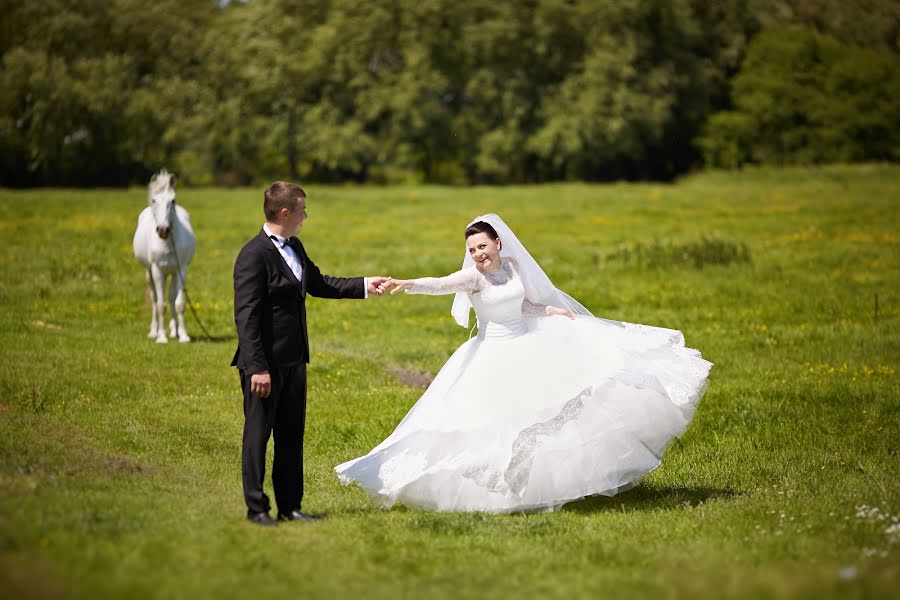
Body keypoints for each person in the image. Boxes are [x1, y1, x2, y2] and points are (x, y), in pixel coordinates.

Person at [335, 214, 712, 513]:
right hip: (492, 352)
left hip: (528, 343)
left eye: (483, 246)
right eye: (472, 249)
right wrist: (408, 283)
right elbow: (441, 283)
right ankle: (496, 492)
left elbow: (525, 304)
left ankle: (543, 485)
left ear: (498, 242)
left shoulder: (512, 266)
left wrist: (550, 310)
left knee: (551, 411)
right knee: (489, 423)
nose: (478, 254)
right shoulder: (473, 276)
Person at [232, 182, 390, 526]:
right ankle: (257, 508)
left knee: (291, 435)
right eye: (303, 210)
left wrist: (366, 284)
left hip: (294, 360)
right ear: (285, 213)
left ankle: (290, 506)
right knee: (258, 436)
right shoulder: (253, 255)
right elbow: (246, 317)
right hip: (264, 365)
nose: (306, 216)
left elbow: (320, 284)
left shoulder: (295, 247)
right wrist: (257, 367)